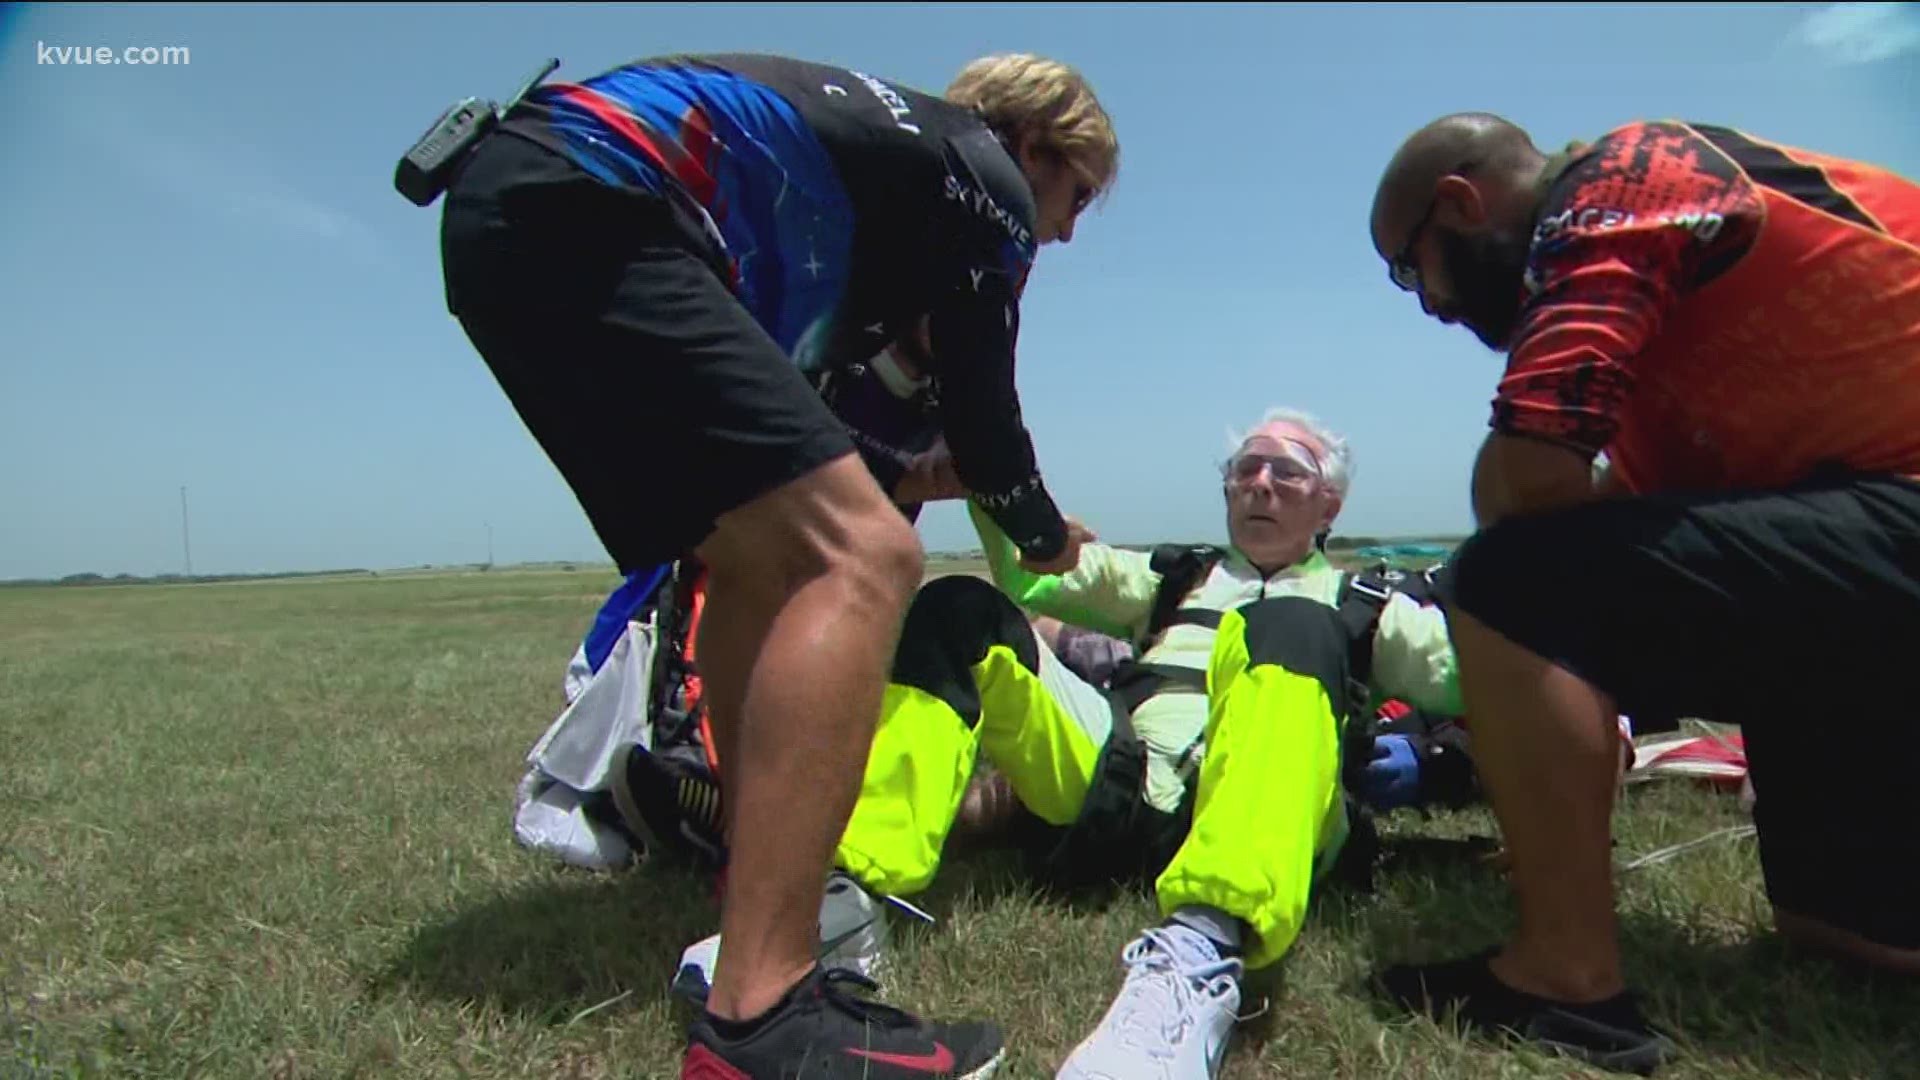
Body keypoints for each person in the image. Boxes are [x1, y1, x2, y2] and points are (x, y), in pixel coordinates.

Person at [434, 50, 1116, 1079]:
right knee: (863, 556)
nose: (1063, 227)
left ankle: (758, 909)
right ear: (1034, 145)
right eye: (1075, 194)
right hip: (602, 195)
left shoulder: (885, 182)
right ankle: (765, 1014)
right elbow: (990, 429)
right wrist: (1045, 536)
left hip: (518, 205)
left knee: (762, 562)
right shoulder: (985, 174)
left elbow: (838, 440)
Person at [1366, 113, 1920, 1075]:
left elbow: (1528, 487)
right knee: (1836, 925)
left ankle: (1565, 979)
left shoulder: (1626, 179)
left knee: (1507, 579)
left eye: (1412, 271)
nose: (1429, 308)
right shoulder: (1679, 358)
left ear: (1460, 204)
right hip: (1872, 543)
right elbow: (1637, 531)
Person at [821, 407, 1465, 1079]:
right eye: (1247, 469)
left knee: (1292, 624)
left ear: (1329, 502)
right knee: (961, 610)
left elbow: (1475, 679)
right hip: (1123, 788)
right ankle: (846, 899)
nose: (1261, 484)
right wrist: (995, 496)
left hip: (1265, 813)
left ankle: (1201, 951)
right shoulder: (1176, 578)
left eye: (1287, 471)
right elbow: (1036, 576)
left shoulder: (1369, 605)